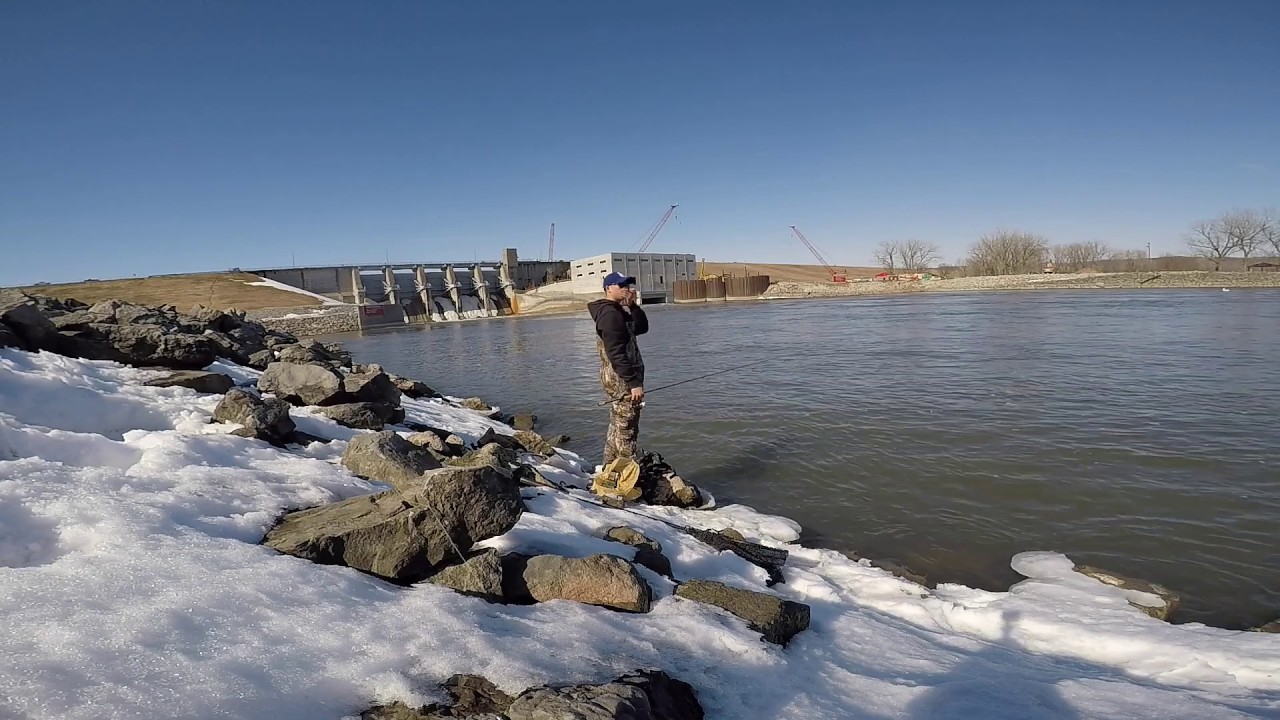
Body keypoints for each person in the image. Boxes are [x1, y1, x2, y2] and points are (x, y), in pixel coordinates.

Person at [587, 272, 649, 465]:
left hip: (620, 378)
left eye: (628, 285)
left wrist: (633, 306)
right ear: (608, 289)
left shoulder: (618, 310)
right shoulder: (610, 314)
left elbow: (641, 328)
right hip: (622, 380)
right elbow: (616, 353)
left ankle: (609, 469)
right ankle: (624, 476)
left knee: (617, 425)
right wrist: (633, 383)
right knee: (626, 428)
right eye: (621, 285)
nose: (627, 289)